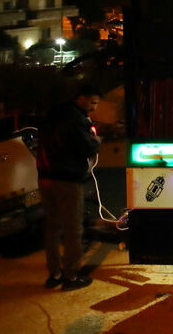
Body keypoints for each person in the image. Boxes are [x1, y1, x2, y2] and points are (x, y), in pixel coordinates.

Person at [37, 83, 102, 290]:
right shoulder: (77, 119)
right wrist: (97, 140)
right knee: (73, 228)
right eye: (92, 102)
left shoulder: (53, 115)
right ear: (81, 97)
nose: (94, 108)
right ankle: (72, 276)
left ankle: (54, 273)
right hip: (68, 179)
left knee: (52, 228)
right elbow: (87, 147)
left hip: (46, 177)